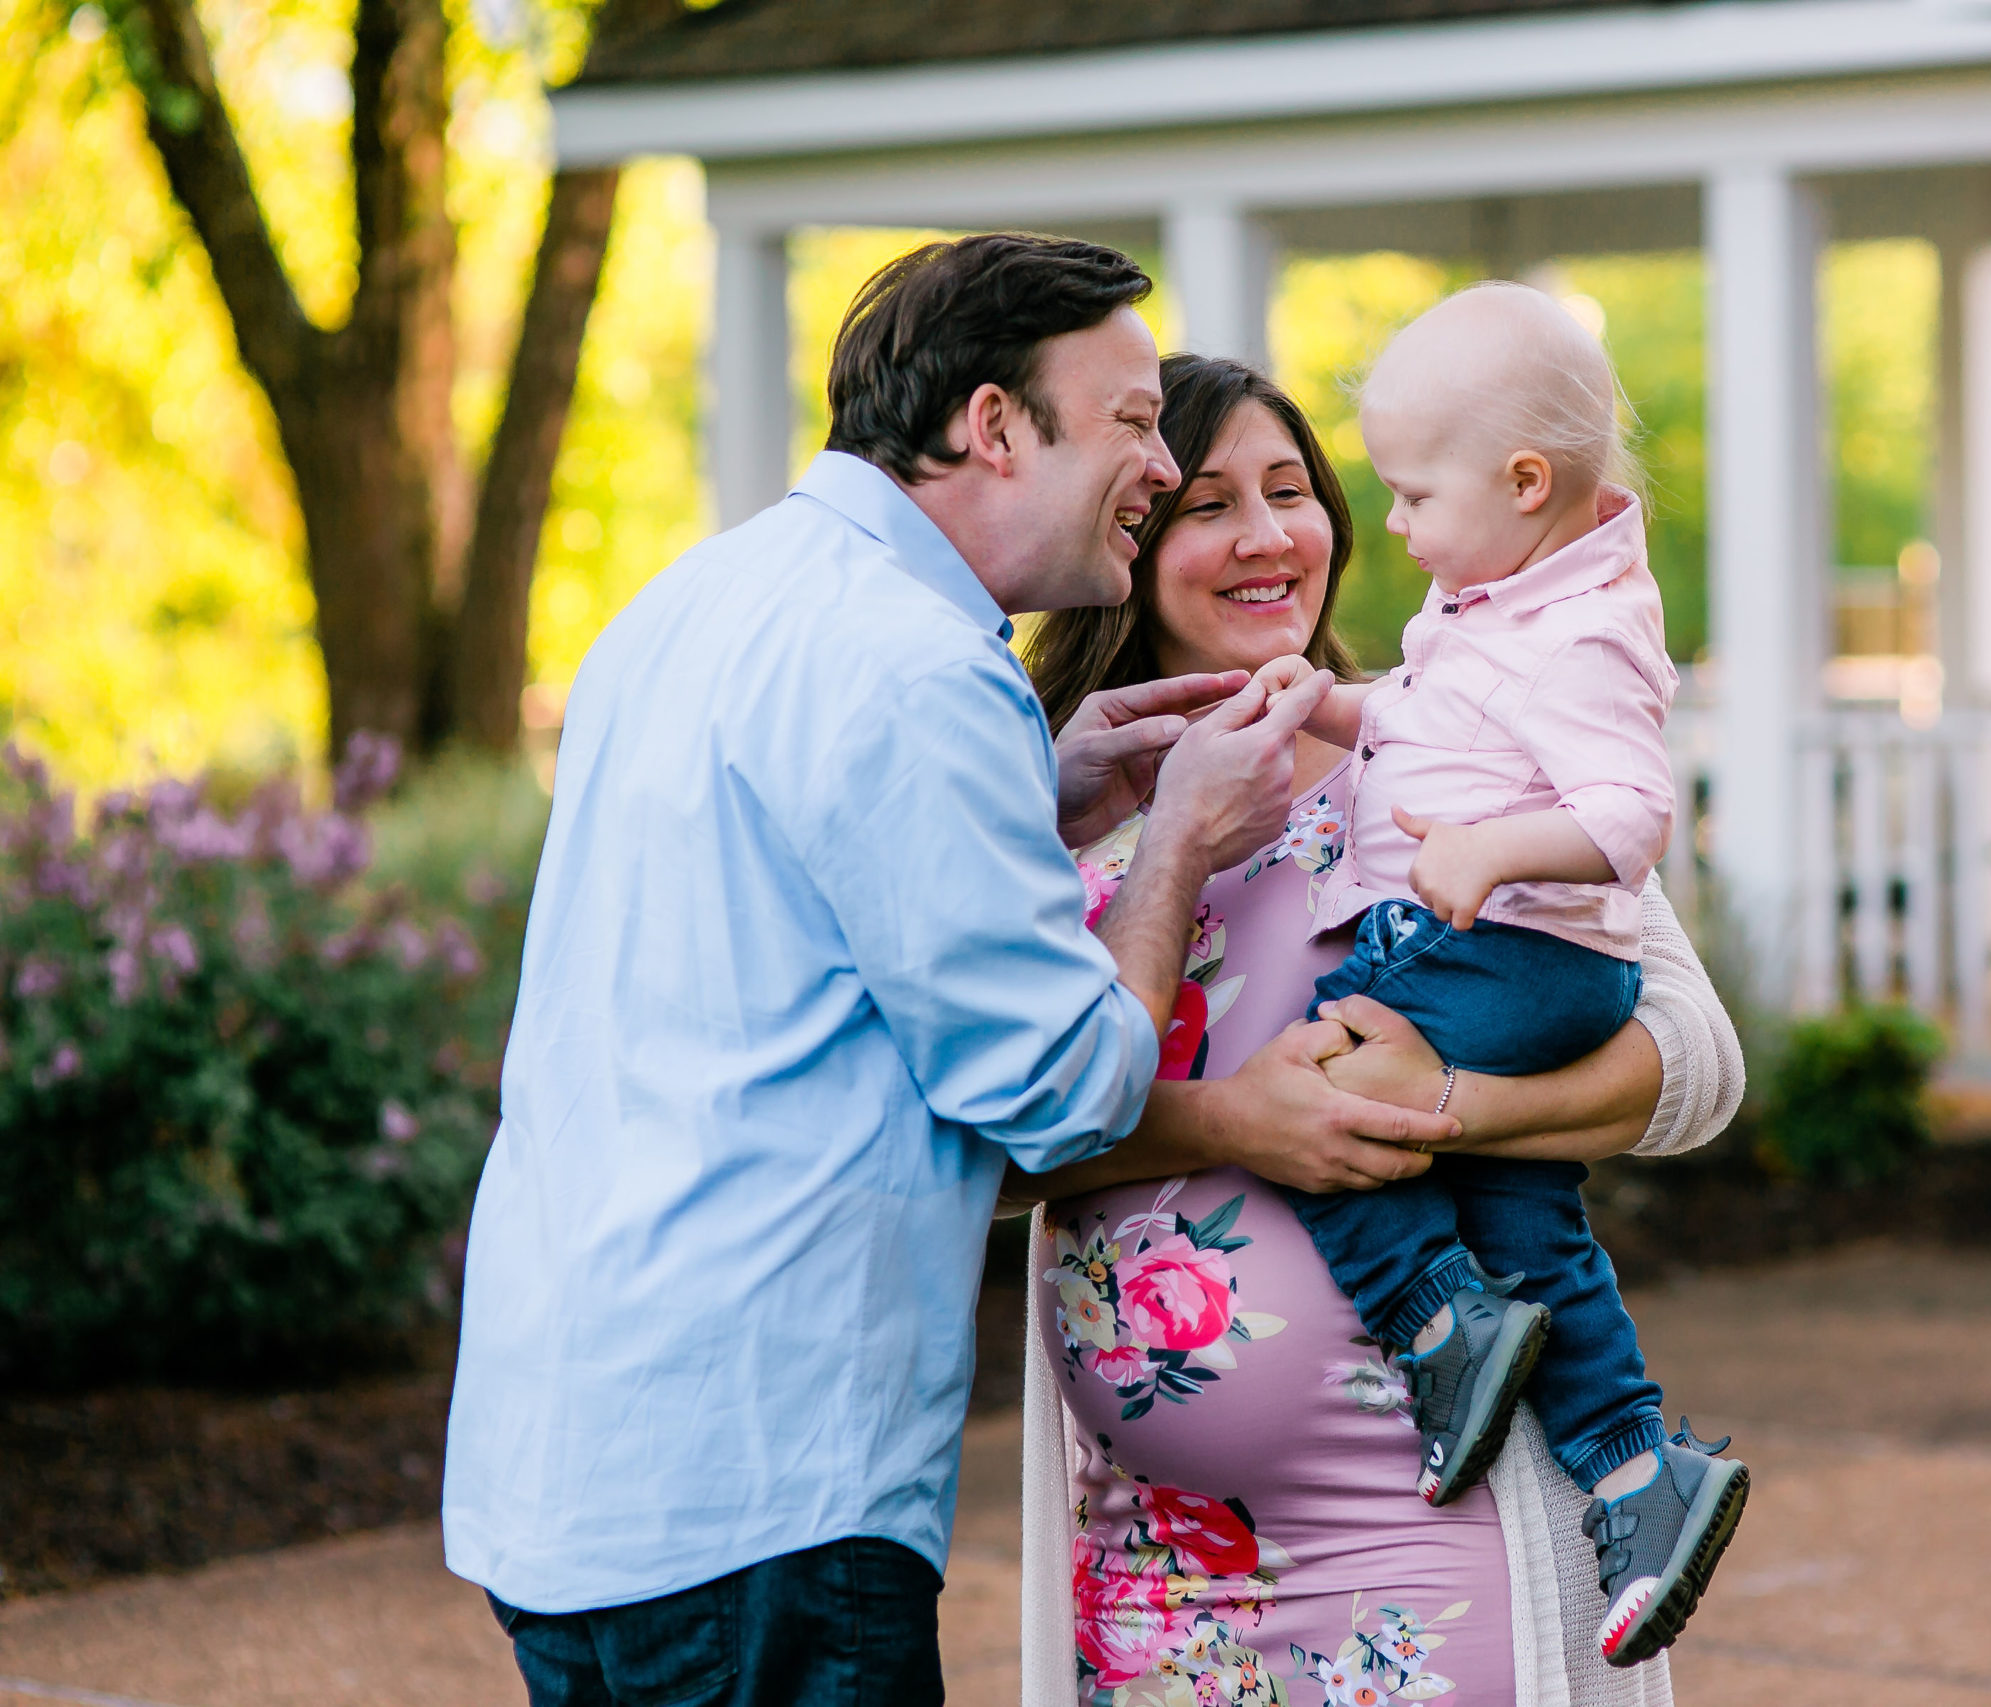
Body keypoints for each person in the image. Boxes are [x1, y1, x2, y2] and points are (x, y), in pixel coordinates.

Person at [441, 236, 1455, 1707]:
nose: (1158, 467)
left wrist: (1041, 797)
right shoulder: (917, 662)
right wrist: (1172, 846)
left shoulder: (699, 602)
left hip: (572, 1478)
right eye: (1127, 421)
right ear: (992, 424)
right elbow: (1063, 1098)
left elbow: (795, 916)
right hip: (763, 1496)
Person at [1013, 352, 1746, 1705]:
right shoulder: (1060, 808)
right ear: (1129, 539)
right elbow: (977, 1156)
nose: (1266, 536)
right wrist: (1238, 1123)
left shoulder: (1439, 757)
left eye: (1291, 491)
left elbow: (1696, 1064)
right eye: (1207, 503)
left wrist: (1444, 1106)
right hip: (1154, 1579)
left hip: (1428, 1550)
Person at [1263, 283, 1747, 1668]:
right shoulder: (1497, 610)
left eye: (1411, 494)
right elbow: (1427, 725)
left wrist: (1485, 852)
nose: (1394, 524)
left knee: (1323, 1084)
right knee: (1533, 1222)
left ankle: (1440, 1323)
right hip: (1511, 958)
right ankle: (1635, 1470)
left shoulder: (1579, 630)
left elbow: (1627, 818)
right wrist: (1323, 704)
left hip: (1519, 956)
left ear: (1525, 482)